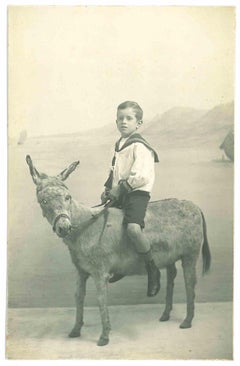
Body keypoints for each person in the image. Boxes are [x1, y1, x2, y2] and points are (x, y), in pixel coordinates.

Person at [101, 101, 160, 297]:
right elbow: (114, 171)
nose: (123, 122)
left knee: (133, 229)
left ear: (139, 123)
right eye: (120, 118)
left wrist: (121, 189)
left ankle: (152, 268)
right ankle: (122, 267)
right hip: (122, 190)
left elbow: (141, 175)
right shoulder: (119, 145)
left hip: (137, 192)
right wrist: (108, 190)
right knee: (110, 225)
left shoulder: (140, 146)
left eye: (129, 118)